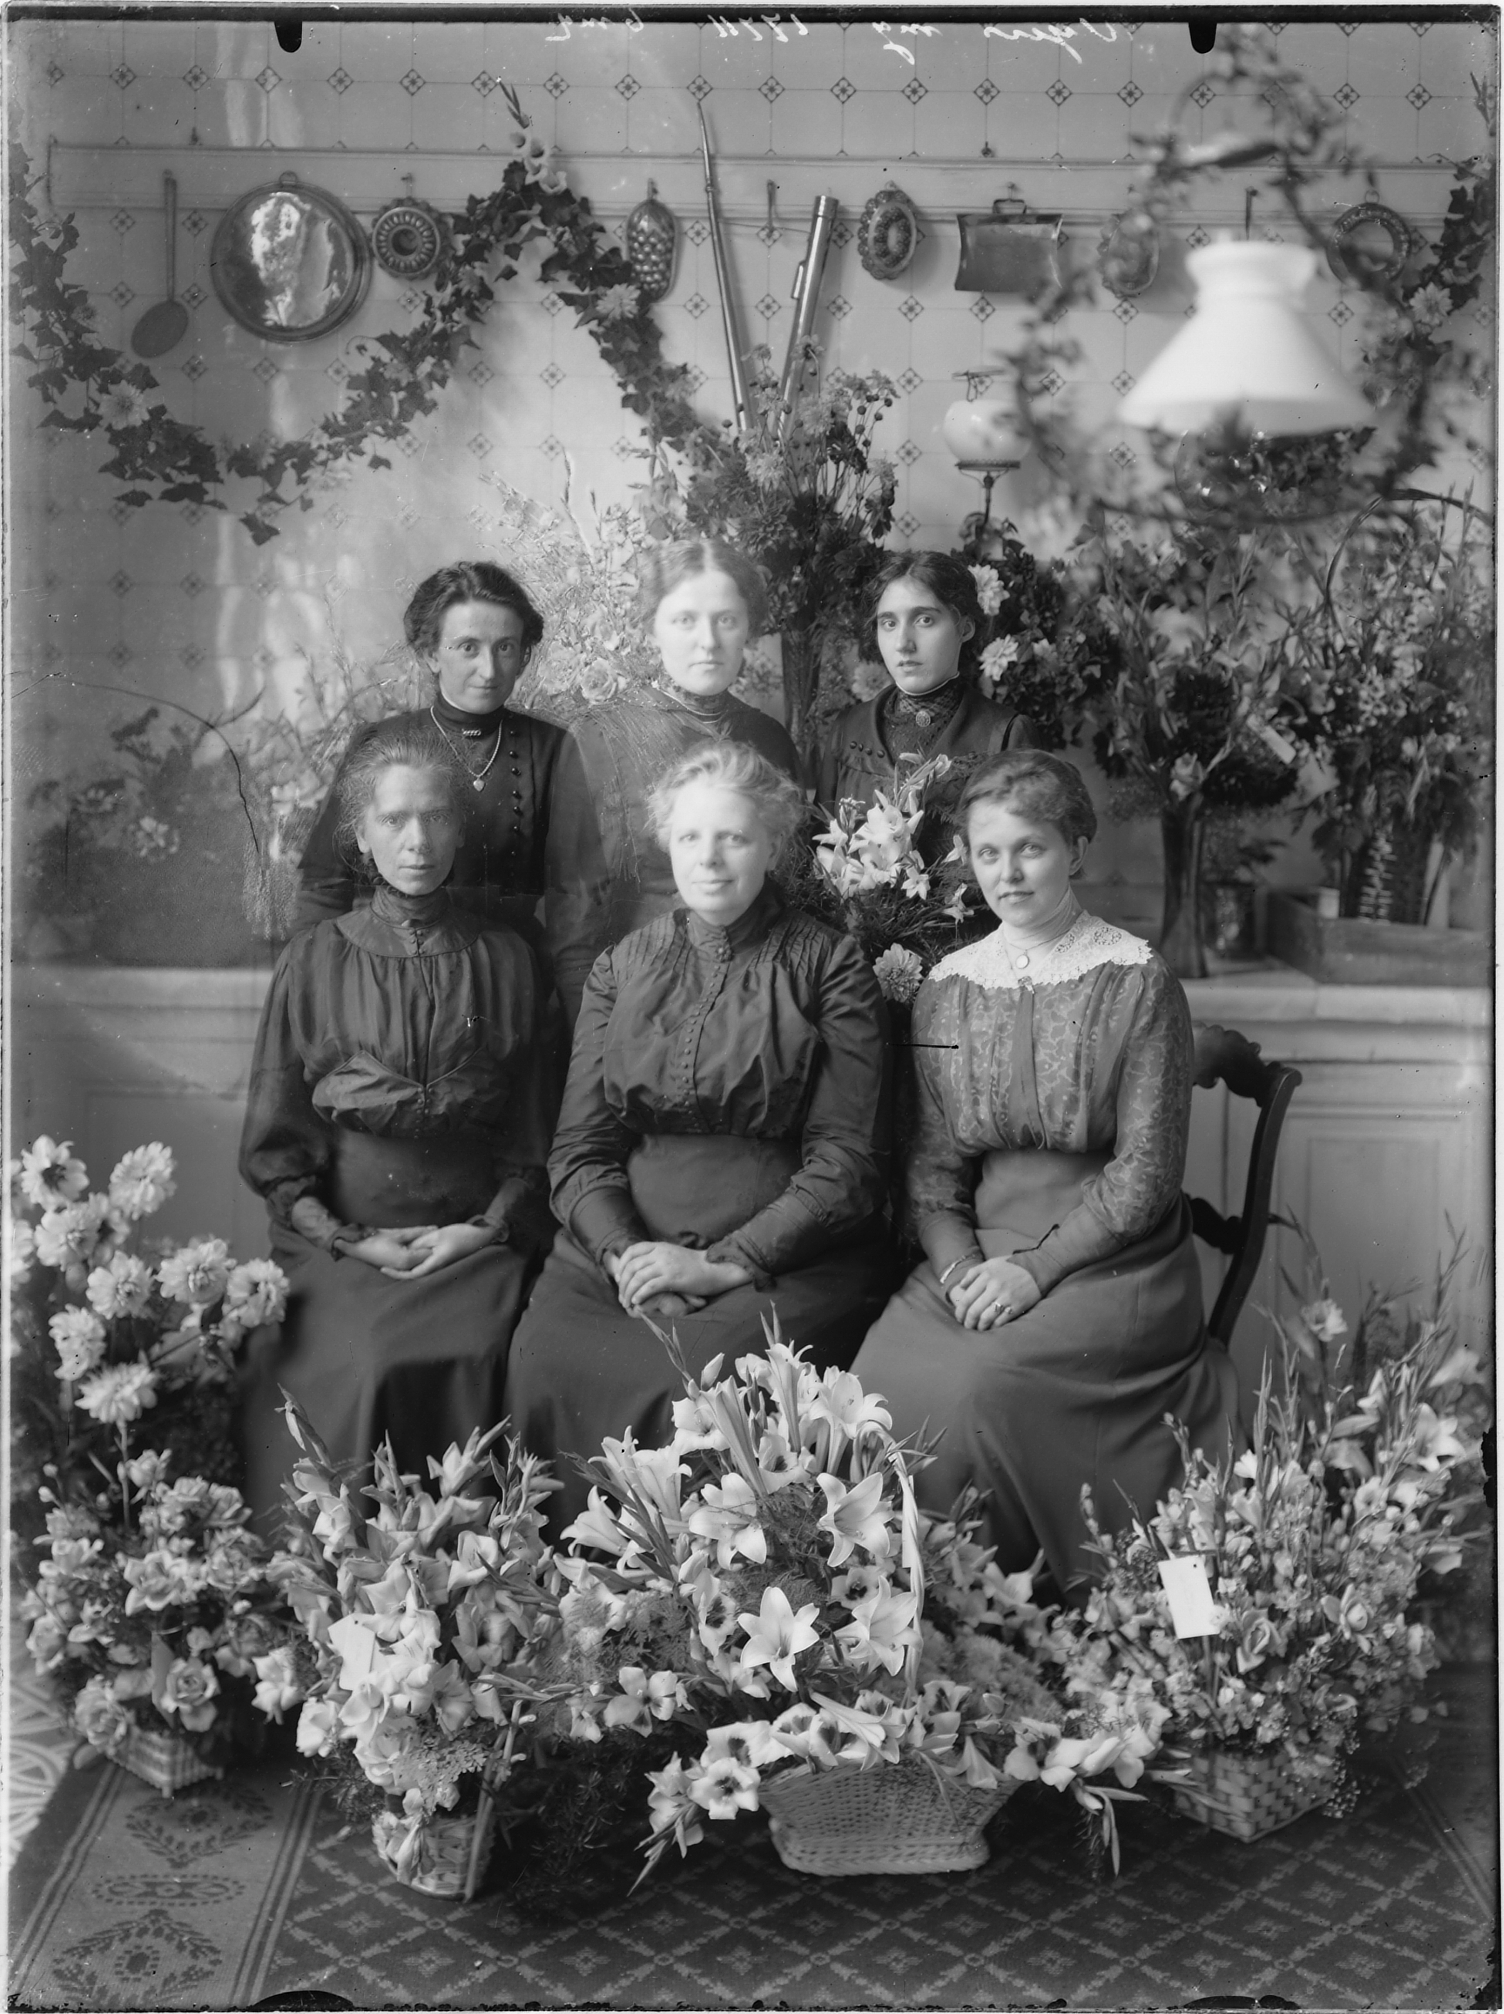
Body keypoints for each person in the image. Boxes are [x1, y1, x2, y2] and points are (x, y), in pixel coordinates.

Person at [851, 750, 1240, 1594]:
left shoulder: (1138, 982)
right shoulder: (949, 988)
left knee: (984, 1386)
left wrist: (1035, 1270)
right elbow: (932, 1167)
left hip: (1116, 1255)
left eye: (1030, 848)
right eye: (989, 853)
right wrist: (960, 1270)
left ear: (1076, 849)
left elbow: (1146, 1174)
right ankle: (924, 1618)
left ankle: (1024, 1607)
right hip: (982, 1245)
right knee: (876, 1382)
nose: (1009, 873)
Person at [504, 742, 894, 1534]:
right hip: (623, 1255)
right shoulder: (623, 966)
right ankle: (571, 1591)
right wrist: (625, 1257)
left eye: (734, 838)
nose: (709, 859)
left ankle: (692, 1600)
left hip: (783, 1259)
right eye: (690, 838)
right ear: (667, 845)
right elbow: (579, 1151)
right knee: (544, 1358)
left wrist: (718, 1265)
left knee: (692, 1387)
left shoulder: (829, 965)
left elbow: (847, 1161)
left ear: (773, 847)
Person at [238, 718, 556, 1523]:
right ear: (361, 834)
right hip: (345, 1240)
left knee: (499, 1356)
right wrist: (353, 1240)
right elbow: (277, 1145)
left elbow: (535, 1138)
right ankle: (358, 1574)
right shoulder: (314, 959)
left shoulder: (508, 958)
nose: (417, 841)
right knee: (371, 1361)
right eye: (394, 819)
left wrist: (481, 1232)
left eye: (435, 816)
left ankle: (481, 1573)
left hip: (479, 1240)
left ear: (458, 828)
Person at [292, 561, 607, 1027]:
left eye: (505, 647)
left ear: (523, 655)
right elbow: (323, 886)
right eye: (468, 647)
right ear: (430, 654)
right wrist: (313, 999)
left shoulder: (551, 749)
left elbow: (576, 906)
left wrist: (584, 1033)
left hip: (511, 989)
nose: (489, 669)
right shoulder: (381, 742)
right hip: (389, 985)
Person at [571, 538, 800, 944]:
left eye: (726, 620)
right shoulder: (599, 738)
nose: (708, 641)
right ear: (651, 629)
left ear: (748, 627)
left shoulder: (771, 738)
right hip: (643, 966)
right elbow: (578, 917)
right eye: (685, 620)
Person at [816, 551, 1036, 869]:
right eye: (888, 623)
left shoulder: (1006, 734)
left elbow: (1025, 860)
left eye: (924, 620)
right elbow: (821, 854)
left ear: (965, 628)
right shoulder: (848, 728)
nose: (903, 643)